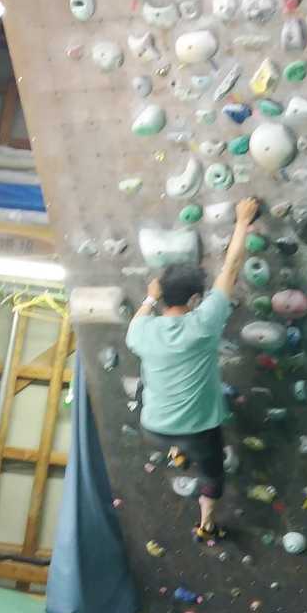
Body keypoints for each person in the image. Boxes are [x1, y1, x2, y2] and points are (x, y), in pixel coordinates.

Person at [126, 197, 259, 543]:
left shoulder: (140, 331)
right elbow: (230, 269)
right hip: (197, 432)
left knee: (147, 384)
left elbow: (142, 314)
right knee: (212, 474)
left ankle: (175, 452)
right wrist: (242, 221)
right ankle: (207, 524)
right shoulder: (203, 324)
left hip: (153, 427)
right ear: (195, 300)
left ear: (162, 294)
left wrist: (150, 298)